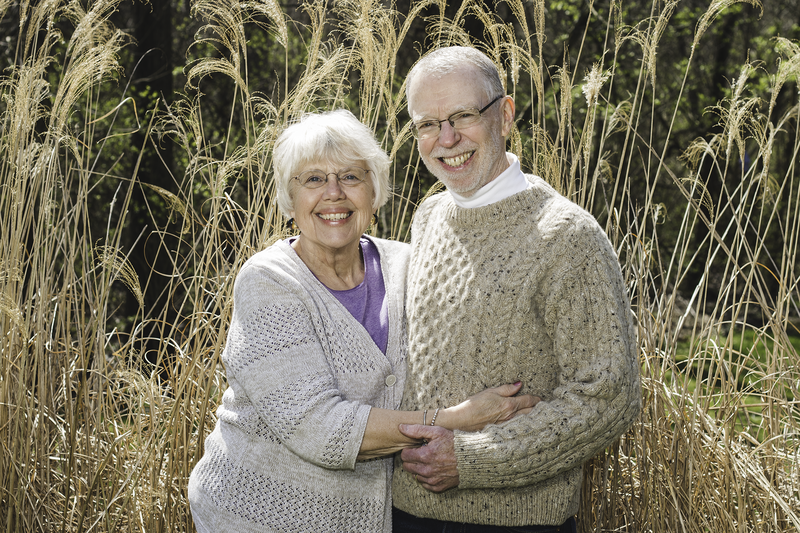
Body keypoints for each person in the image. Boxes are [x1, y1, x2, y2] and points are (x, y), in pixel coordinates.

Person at [187, 109, 538, 533]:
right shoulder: (268, 282)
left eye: (351, 177)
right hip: (254, 516)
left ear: (374, 191)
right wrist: (459, 418)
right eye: (314, 179)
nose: (333, 194)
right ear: (288, 197)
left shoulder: (408, 265)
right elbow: (319, 428)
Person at [391, 46, 642, 532]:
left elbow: (609, 397)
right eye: (427, 124)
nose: (446, 139)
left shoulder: (566, 236)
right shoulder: (429, 217)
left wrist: (472, 459)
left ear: (504, 115)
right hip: (406, 513)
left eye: (462, 116)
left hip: (515, 520)